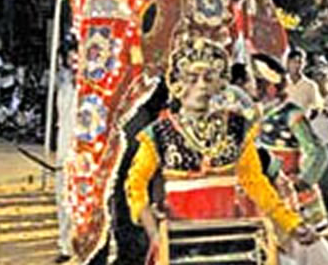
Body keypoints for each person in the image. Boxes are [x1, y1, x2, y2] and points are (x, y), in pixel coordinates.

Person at [124, 40, 318, 265]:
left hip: (232, 239)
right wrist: (151, 226)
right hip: (180, 243)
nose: (201, 85)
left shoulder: (237, 127)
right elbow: (135, 184)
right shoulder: (158, 133)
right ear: (177, 84)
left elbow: (255, 182)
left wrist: (291, 224)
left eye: (209, 78)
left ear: (220, 83)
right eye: (192, 78)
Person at [252, 53, 328, 265]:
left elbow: (318, 152)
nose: (253, 87)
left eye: (257, 82)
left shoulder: (290, 113)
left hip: (291, 193)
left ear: (270, 86)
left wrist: (303, 181)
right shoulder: (253, 113)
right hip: (264, 192)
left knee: (305, 251)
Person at [54, 44, 78, 264]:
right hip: (64, 150)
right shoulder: (64, 87)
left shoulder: (94, 89)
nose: (75, 64)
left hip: (86, 153)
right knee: (63, 199)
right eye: (71, 60)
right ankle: (65, 245)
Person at [285, 47, 323, 115]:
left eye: (300, 62)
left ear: (305, 64)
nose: (297, 66)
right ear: (288, 63)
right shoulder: (281, 82)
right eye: (294, 62)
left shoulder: (310, 86)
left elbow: (318, 107)